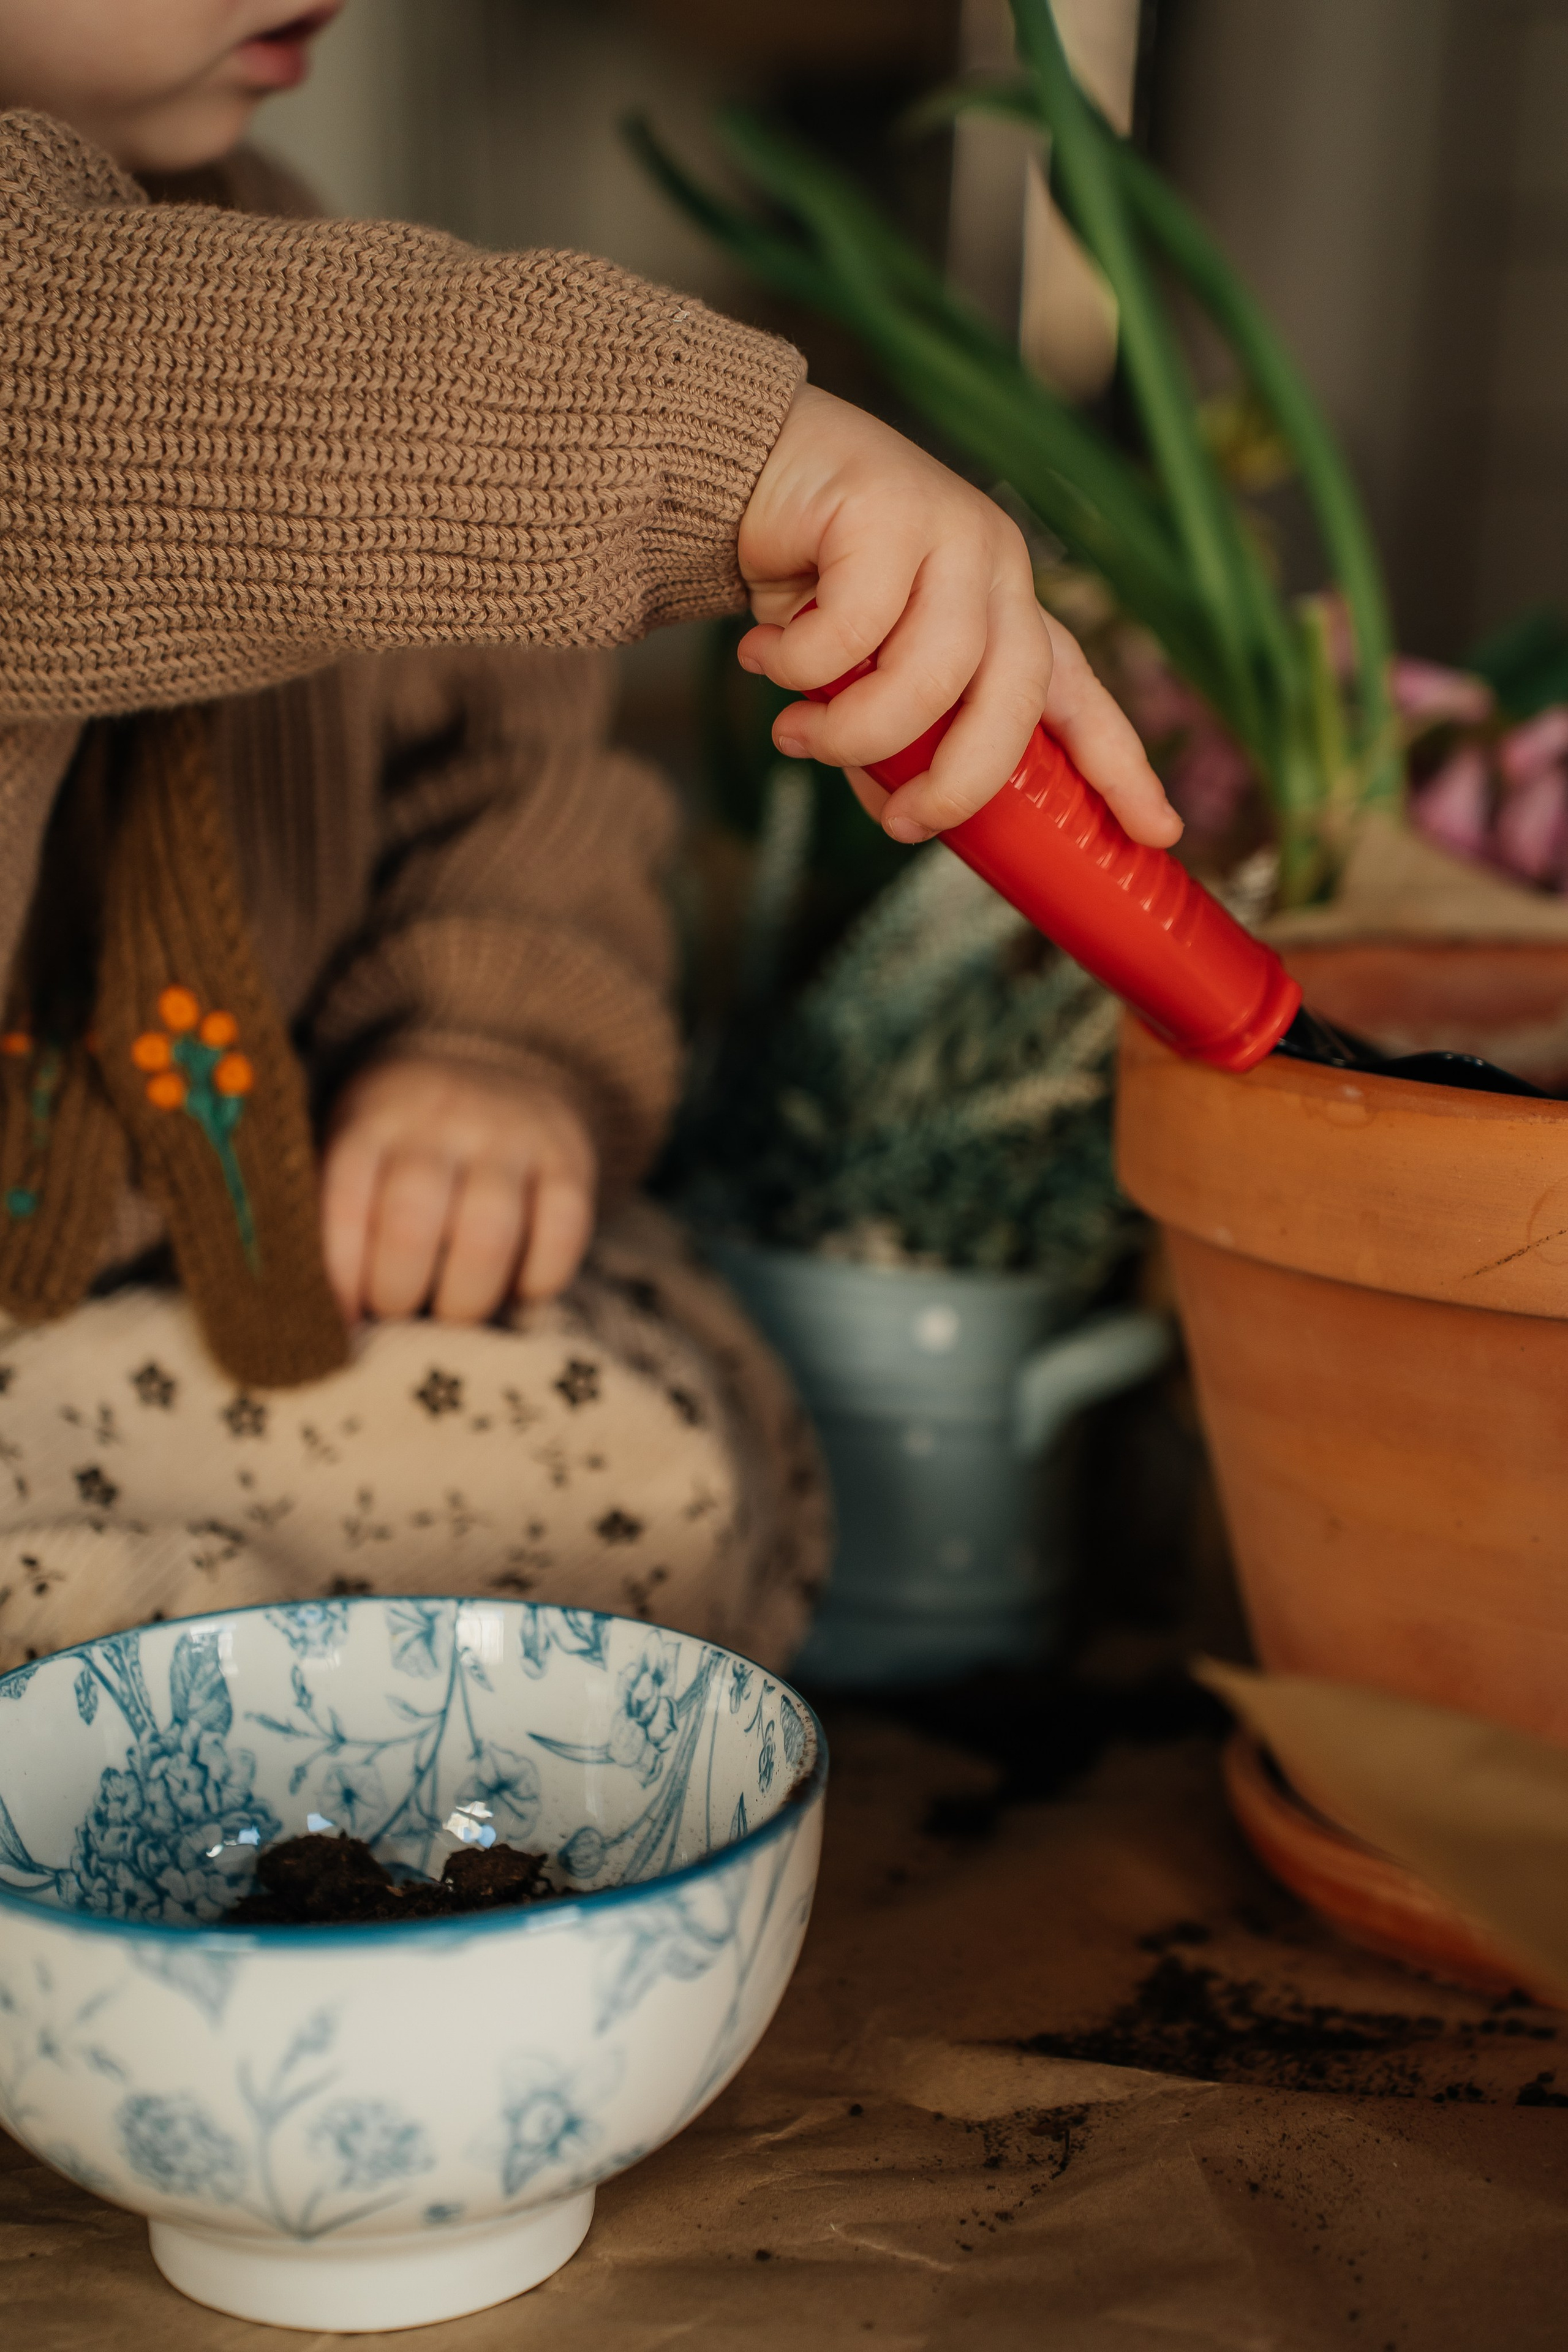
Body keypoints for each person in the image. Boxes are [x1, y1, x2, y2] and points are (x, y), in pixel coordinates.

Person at [0, 0, 1178, 1674]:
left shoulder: (281, 242)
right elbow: (97, 371)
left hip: (202, 1278)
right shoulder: (156, 330)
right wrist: (740, 459)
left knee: (677, 1459)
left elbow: (519, 782)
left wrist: (490, 1037)